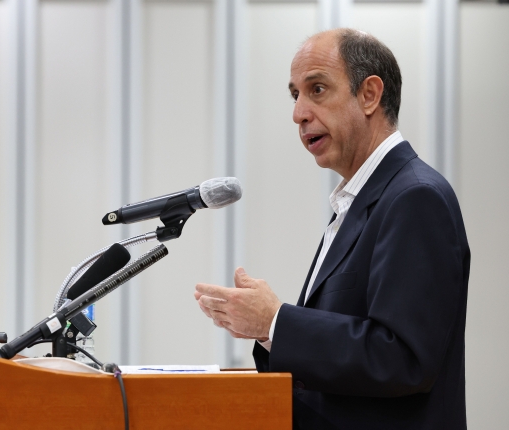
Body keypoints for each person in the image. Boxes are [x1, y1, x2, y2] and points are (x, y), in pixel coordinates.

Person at [194, 28, 470, 430]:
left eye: (317, 89)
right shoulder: (360, 199)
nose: (299, 113)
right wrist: (271, 333)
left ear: (370, 95)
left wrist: (276, 322)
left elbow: (402, 359)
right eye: (295, 95)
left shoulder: (415, 198)